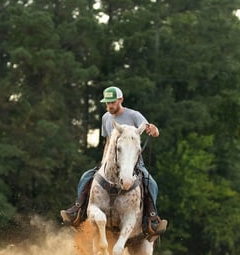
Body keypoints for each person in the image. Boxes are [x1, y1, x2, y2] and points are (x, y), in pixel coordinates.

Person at [60, 85, 167, 236]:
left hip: (132, 162)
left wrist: (154, 130)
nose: (109, 105)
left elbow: (150, 129)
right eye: (107, 103)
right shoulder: (105, 118)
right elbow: (109, 142)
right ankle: (77, 210)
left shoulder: (134, 115)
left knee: (151, 183)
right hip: (110, 163)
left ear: (120, 100)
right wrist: (104, 162)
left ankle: (152, 218)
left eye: (112, 102)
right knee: (86, 176)